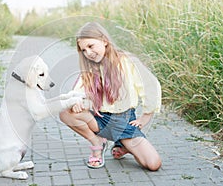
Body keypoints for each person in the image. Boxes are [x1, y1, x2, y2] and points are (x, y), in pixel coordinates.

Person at [59, 22, 162, 170]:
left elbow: (149, 85)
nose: (87, 52)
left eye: (91, 46)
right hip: (100, 120)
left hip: (124, 122)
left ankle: (123, 144)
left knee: (153, 164)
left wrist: (146, 115)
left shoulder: (126, 61)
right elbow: (78, 91)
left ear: (104, 41)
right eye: (83, 50)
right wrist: (77, 101)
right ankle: (97, 143)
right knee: (66, 112)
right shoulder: (89, 68)